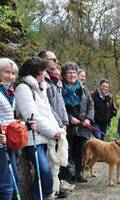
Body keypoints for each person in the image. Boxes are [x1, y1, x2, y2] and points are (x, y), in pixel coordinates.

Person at [15, 57, 63, 200]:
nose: (46, 74)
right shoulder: (23, 88)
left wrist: (58, 129)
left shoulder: (40, 87)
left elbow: (48, 113)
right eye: (43, 71)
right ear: (35, 73)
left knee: (44, 173)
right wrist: (52, 131)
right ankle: (47, 195)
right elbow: (32, 116)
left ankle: (40, 196)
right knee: (44, 171)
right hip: (32, 138)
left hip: (45, 137)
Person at [37, 50, 71, 197]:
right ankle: (49, 191)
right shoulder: (43, 81)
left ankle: (56, 189)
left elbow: (60, 103)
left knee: (58, 160)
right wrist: (59, 123)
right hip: (50, 126)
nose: (57, 63)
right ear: (44, 61)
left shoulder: (56, 80)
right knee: (51, 160)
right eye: (53, 60)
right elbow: (47, 107)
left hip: (60, 125)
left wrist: (65, 121)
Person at [61, 62, 94, 183]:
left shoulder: (83, 88)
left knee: (79, 151)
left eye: (74, 73)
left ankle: (78, 174)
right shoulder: (60, 88)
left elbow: (90, 104)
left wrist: (88, 119)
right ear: (64, 75)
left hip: (82, 126)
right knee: (67, 151)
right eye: (69, 73)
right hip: (67, 125)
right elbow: (58, 107)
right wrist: (69, 118)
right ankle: (68, 176)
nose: (72, 75)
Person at [0, 58, 20, 199]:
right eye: (7, 72)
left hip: (9, 140)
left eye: (13, 73)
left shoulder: (9, 91)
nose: (10, 76)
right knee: (6, 183)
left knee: (14, 180)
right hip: (1, 141)